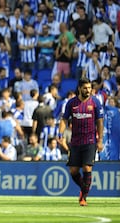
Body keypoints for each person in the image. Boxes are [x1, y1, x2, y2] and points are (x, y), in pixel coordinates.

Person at [59, 77, 104, 206]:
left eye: (89, 88)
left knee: (87, 168)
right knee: (73, 171)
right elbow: (64, 119)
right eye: (85, 88)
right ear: (79, 88)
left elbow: (100, 122)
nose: (88, 90)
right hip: (75, 141)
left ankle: (83, 197)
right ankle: (85, 187)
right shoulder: (71, 103)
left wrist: (100, 140)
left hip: (90, 140)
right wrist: (60, 133)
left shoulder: (95, 102)